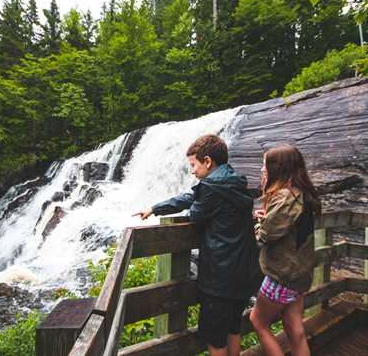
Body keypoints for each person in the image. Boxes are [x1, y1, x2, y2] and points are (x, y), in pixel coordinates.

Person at [133, 134, 261, 356]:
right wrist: (155, 208)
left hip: (219, 278)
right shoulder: (234, 182)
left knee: (214, 338)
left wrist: (194, 208)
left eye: (193, 164)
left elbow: (196, 214)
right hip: (243, 272)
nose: (191, 171)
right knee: (232, 328)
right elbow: (192, 196)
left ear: (208, 161)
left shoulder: (210, 188)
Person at [249, 145, 321, 356]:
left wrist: (258, 225)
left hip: (282, 275)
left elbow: (265, 236)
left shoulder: (285, 198)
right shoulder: (303, 194)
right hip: (300, 274)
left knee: (258, 322)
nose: (262, 170)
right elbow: (291, 228)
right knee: (294, 328)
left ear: (278, 168)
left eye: (265, 165)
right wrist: (268, 216)